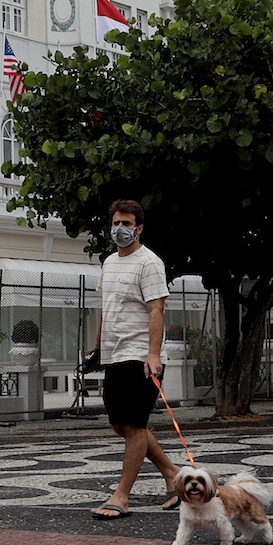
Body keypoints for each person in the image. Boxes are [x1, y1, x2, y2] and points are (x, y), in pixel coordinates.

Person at [86, 198, 180, 519]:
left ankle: (121, 496)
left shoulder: (149, 263)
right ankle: (172, 473)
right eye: (116, 223)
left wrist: (153, 355)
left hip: (140, 357)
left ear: (138, 228)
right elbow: (107, 308)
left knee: (135, 425)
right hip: (114, 354)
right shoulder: (109, 262)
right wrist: (97, 347)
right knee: (119, 425)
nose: (120, 229)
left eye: (127, 224)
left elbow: (157, 310)